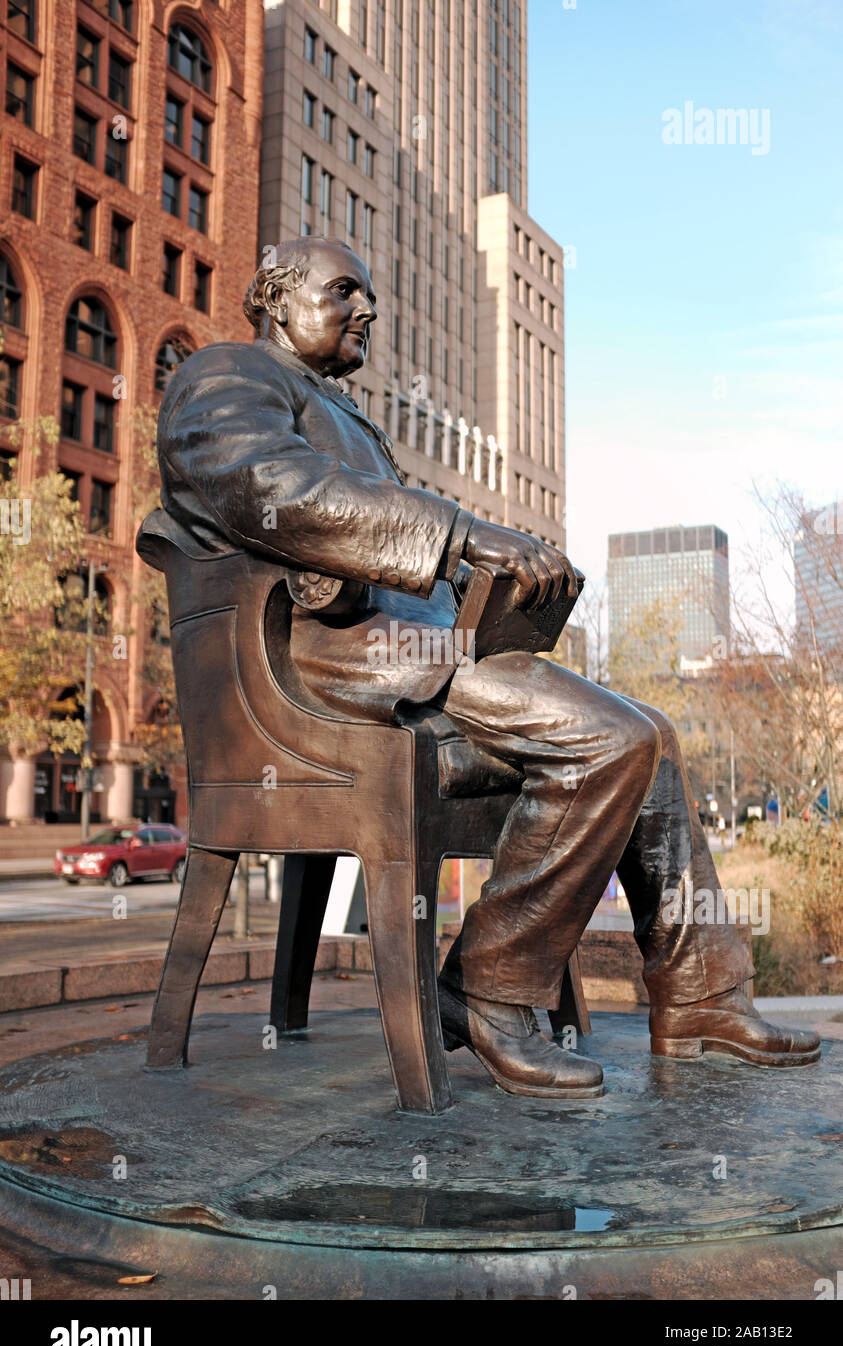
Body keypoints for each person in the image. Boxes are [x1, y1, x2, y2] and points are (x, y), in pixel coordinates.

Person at [156, 236, 820, 1100]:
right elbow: (271, 492)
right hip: (330, 666)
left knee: (649, 735)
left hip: (421, 653)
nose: (368, 310)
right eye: (344, 291)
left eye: (369, 296)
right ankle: (483, 992)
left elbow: (398, 542)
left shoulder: (345, 412)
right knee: (610, 737)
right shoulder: (224, 376)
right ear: (276, 299)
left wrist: (509, 581)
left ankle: (700, 994)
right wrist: (464, 533)